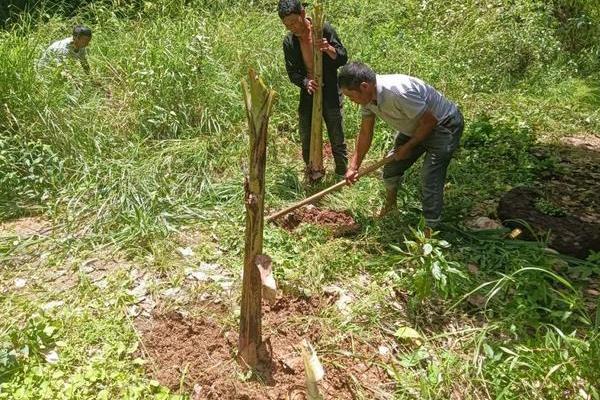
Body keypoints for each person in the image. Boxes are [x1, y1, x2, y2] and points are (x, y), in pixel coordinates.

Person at [339, 62, 464, 229]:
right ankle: (390, 207)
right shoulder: (367, 99)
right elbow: (365, 133)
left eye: (351, 97)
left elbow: (430, 122)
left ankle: (430, 228)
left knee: (430, 176)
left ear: (364, 86)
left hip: (443, 124)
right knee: (391, 168)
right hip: (414, 125)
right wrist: (354, 166)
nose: (353, 102)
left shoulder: (398, 92)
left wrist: (408, 147)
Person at [278, 0, 348, 176]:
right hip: (309, 92)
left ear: (302, 13)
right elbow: (293, 73)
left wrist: (328, 49)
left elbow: (342, 57)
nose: (292, 27)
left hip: (330, 89)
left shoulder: (323, 29)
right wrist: (305, 82)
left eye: (294, 21)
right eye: (287, 25)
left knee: (336, 133)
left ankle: (342, 171)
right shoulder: (289, 42)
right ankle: (313, 171)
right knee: (306, 135)